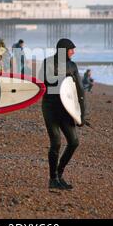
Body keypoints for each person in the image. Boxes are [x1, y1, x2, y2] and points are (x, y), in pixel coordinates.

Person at [39, 38, 86, 190]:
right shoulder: (48, 62)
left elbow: (80, 90)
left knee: (74, 142)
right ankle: (52, 179)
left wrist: (81, 115)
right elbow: (41, 82)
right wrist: (63, 79)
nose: (74, 52)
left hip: (67, 109)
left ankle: (59, 173)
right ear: (63, 50)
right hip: (50, 107)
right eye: (71, 49)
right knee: (56, 142)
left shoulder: (72, 65)